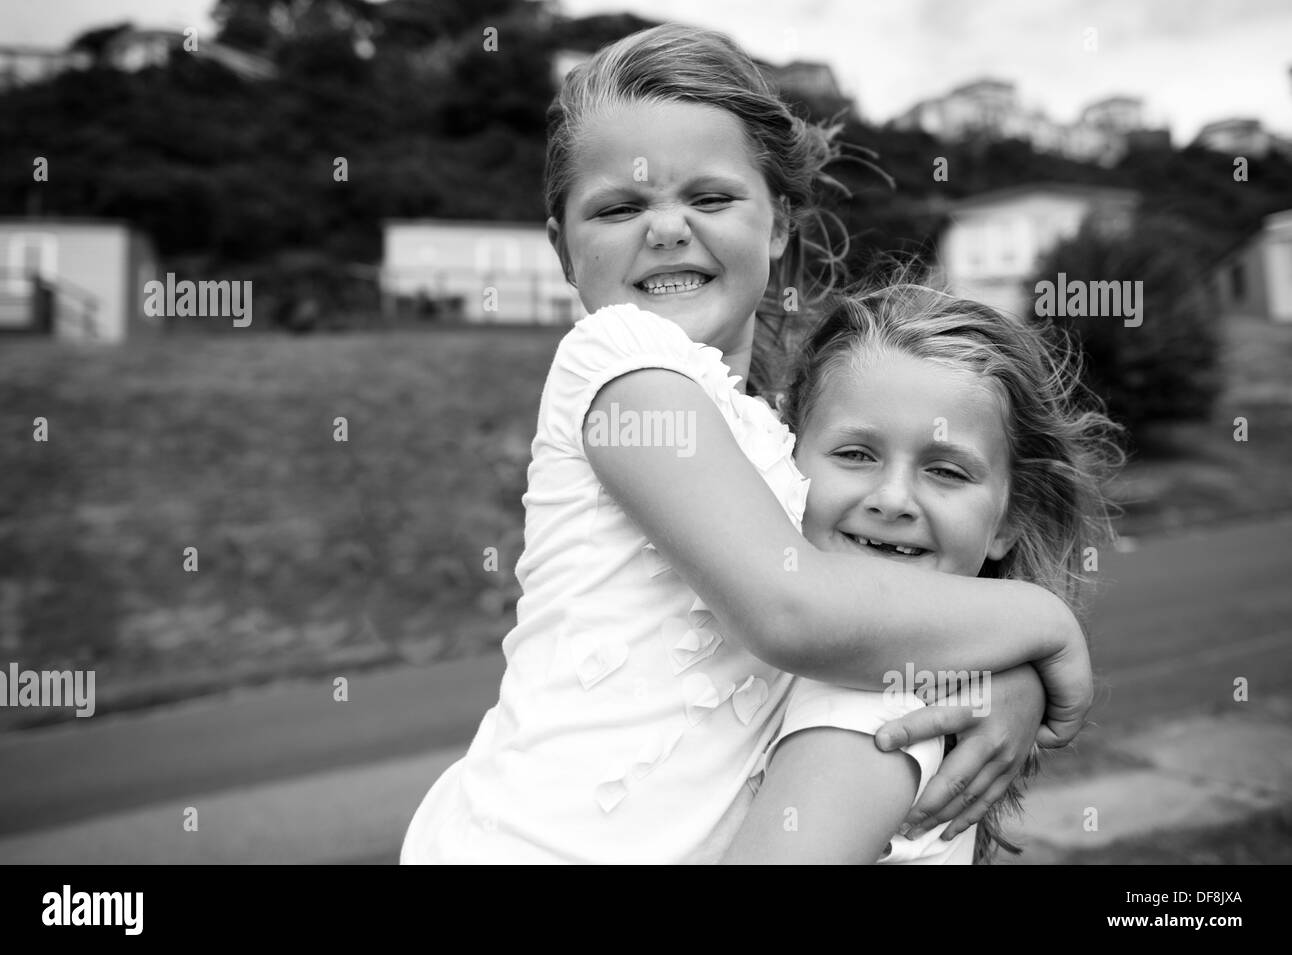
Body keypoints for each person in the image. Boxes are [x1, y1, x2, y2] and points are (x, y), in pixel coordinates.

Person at [400, 24, 1093, 864]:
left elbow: (868, 617)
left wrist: (998, 677)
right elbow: (790, 608)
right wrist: (1038, 624)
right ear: (562, 248)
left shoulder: (774, 437)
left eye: (712, 198)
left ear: (777, 225)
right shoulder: (619, 363)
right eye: (621, 207)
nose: (665, 228)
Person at [721, 279, 1122, 864]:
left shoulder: (875, 716)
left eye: (947, 471)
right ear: (783, 460)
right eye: (856, 454)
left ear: (1009, 521)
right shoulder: (772, 641)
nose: (893, 499)